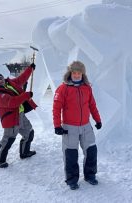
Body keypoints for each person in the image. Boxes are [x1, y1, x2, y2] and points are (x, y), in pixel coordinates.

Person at [53, 61, 102, 190]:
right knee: (71, 154)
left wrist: (97, 120)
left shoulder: (87, 88)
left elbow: (92, 105)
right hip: (70, 128)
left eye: (78, 72)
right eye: (74, 72)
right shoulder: (63, 89)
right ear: (70, 73)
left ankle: (90, 175)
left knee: (91, 150)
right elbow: (56, 108)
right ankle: (72, 180)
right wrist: (57, 125)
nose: (76, 75)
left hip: (86, 126)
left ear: (82, 73)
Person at [0, 63, 37, 168]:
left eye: (1, 78)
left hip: (20, 114)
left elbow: (21, 79)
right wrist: (26, 95)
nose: (1, 80)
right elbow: (13, 102)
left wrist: (30, 69)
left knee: (29, 132)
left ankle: (25, 152)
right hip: (11, 119)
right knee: (8, 139)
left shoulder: (9, 84)